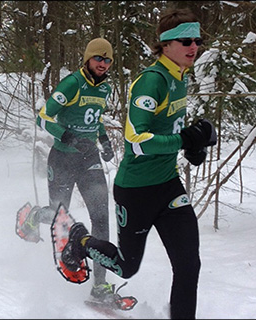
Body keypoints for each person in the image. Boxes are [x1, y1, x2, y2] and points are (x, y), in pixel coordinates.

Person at [60, 8, 217, 319]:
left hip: (169, 186)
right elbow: (137, 140)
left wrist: (192, 147)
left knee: (188, 264)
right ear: (166, 44)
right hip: (136, 189)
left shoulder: (179, 78)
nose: (194, 46)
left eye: (197, 40)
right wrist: (184, 140)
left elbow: (169, 130)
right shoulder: (151, 81)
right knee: (126, 266)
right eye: (186, 40)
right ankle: (80, 240)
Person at [20, 37, 117, 303]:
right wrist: (67, 137)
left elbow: (95, 119)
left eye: (108, 60)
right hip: (63, 159)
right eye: (98, 58)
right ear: (87, 59)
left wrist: (105, 141)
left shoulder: (105, 88)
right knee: (59, 216)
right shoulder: (73, 83)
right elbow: (43, 117)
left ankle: (100, 285)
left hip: (89, 160)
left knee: (101, 217)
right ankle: (35, 216)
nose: (103, 64)